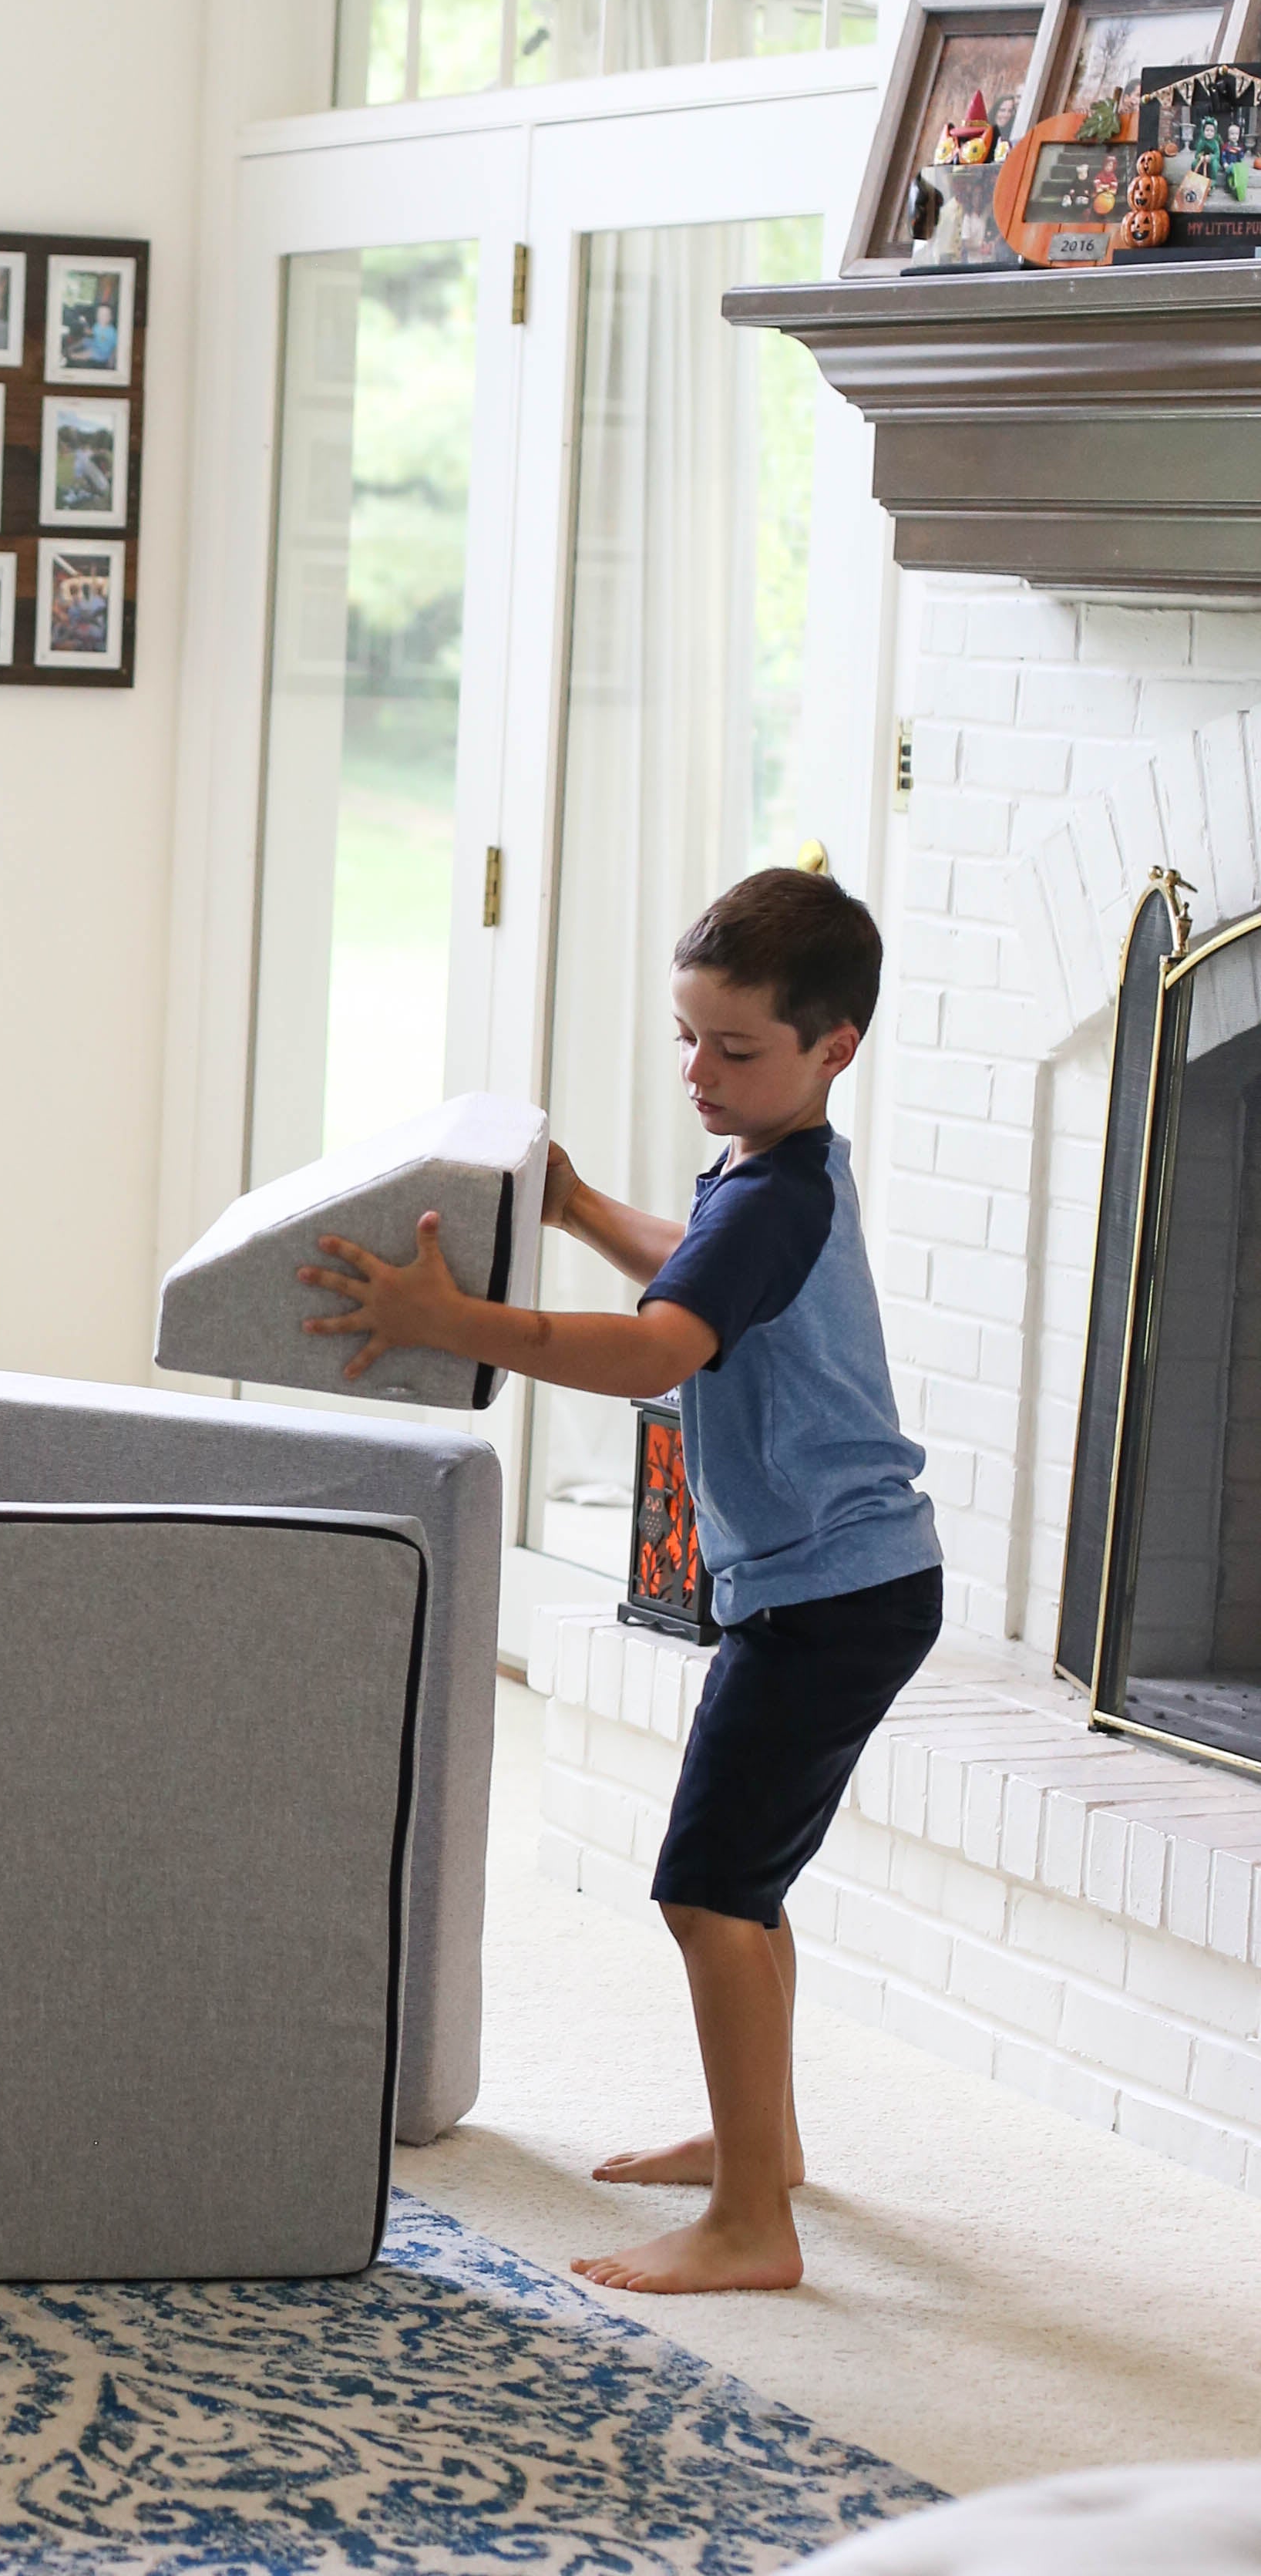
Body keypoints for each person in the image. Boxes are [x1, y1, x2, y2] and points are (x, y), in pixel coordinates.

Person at [295, 867, 940, 2296]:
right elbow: (699, 1266)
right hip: (846, 1584)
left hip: (828, 1598)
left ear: (834, 1049)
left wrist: (451, 1320)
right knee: (748, 1887)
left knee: (707, 1892)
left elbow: (660, 1344)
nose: (698, 1072)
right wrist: (584, 1209)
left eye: (734, 1048)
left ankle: (749, 2230)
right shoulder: (775, 1178)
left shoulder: (771, 1199)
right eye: (684, 1037)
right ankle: (752, 2148)